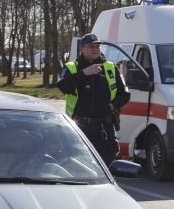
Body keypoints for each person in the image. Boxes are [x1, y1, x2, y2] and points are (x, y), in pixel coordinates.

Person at [56, 33, 131, 163]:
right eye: (91, 46)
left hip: (104, 126)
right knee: (78, 164)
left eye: (98, 46)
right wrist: (85, 73)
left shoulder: (111, 67)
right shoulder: (72, 67)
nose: (96, 49)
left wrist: (112, 106)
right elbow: (63, 86)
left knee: (106, 164)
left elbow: (125, 94)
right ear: (82, 49)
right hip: (79, 126)